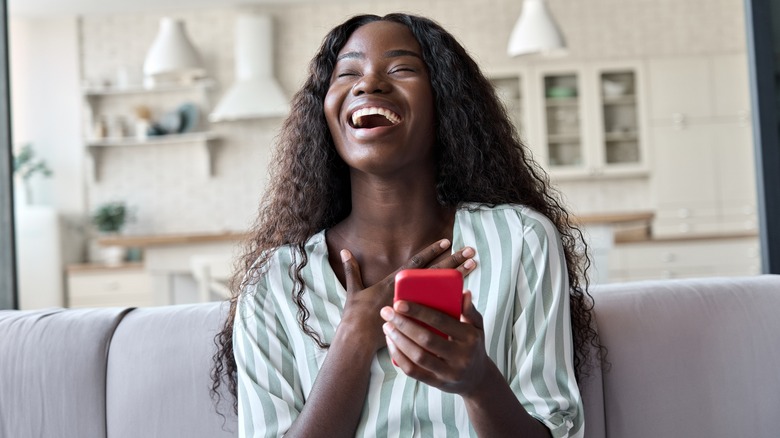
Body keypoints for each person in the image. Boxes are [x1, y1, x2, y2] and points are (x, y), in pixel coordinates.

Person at [212, 12, 601, 438]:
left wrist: (478, 382)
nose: (369, 84)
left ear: (444, 103)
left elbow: (557, 429)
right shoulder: (274, 283)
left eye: (401, 68)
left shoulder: (522, 240)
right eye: (347, 73)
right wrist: (354, 341)